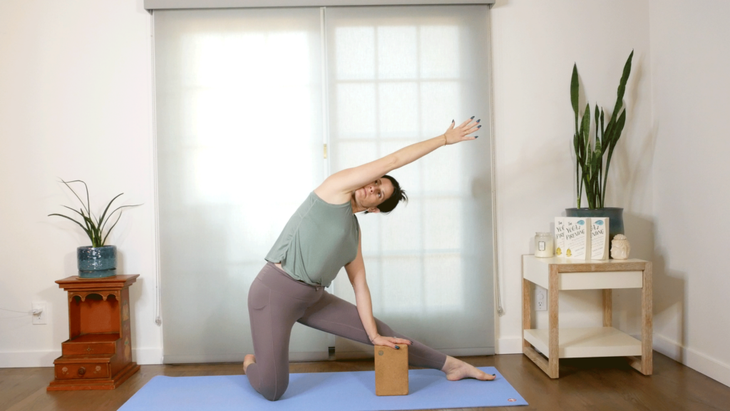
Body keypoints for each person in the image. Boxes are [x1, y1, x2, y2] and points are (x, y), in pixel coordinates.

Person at [243, 117, 494, 401]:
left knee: (386, 334)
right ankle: (251, 364)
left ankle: (453, 365)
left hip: (313, 300)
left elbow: (360, 284)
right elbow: (394, 160)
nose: (372, 187)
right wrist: (443, 140)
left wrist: (373, 336)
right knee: (273, 390)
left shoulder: (353, 232)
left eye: (379, 193)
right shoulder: (334, 188)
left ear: (374, 209)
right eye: (375, 182)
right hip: (274, 293)